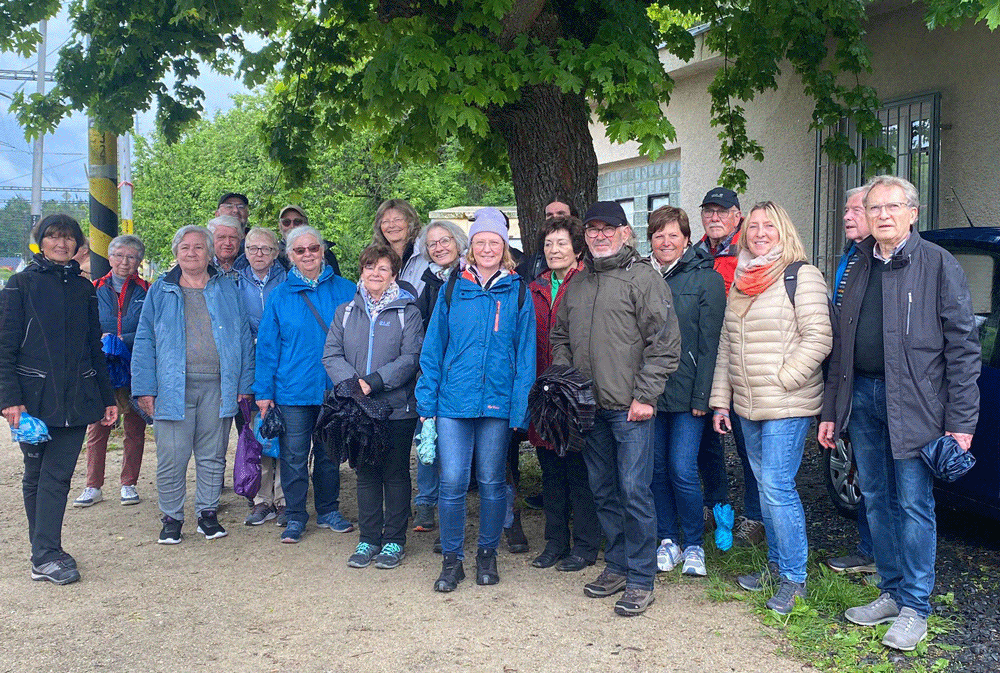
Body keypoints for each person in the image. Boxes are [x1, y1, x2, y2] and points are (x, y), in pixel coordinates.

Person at [818, 175, 980, 651]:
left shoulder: (938, 264)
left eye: (892, 207)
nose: (882, 215)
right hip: (862, 398)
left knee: (913, 504)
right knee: (876, 497)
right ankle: (890, 592)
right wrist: (833, 410)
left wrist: (962, 422)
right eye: (874, 208)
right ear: (865, 216)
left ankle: (915, 607)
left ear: (913, 212)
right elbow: (841, 346)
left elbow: (964, 349)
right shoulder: (857, 265)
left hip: (917, 405)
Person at [550, 201, 680, 617]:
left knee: (634, 492)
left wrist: (645, 396)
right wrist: (568, 382)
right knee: (603, 491)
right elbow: (560, 336)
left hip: (630, 409)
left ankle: (642, 579)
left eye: (609, 229)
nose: (599, 235)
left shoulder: (643, 279)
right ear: (583, 235)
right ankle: (618, 565)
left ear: (625, 233)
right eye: (592, 229)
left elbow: (664, 344)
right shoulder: (579, 283)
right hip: (589, 408)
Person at [709, 201, 832, 615]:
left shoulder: (803, 275)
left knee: (778, 488)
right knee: (766, 489)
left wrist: (784, 380)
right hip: (746, 406)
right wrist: (720, 401)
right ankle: (777, 568)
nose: (760, 233)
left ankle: (795, 579)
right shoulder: (743, 279)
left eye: (769, 226)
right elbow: (727, 345)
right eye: (754, 227)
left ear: (784, 230)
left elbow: (819, 337)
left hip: (786, 402)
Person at [416, 207, 535, 592]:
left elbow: (525, 354)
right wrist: (427, 404)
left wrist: (520, 407)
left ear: (504, 248)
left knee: (491, 481)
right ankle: (452, 560)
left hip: (497, 405)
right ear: (472, 247)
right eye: (480, 242)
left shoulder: (516, 292)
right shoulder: (454, 287)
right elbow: (433, 349)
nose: (487, 248)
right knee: (451, 482)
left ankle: (487, 554)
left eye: (494, 243)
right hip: (452, 402)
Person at [0, 214, 117, 585]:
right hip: (33, 400)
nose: (61, 244)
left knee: (54, 475)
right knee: (37, 474)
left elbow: (93, 347)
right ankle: (46, 554)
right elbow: (3, 348)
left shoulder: (84, 289)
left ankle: (44, 551)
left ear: (78, 246)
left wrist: (106, 396)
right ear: (40, 241)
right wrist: (9, 401)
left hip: (78, 398)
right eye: (53, 237)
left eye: (68, 238)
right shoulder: (19, 285)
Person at [132, 225, 255, 544]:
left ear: (210, 253)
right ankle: (172, 518)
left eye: (199, 247)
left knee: (213, 454)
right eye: (184, 247)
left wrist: (245, 381)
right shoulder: (160, 290)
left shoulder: (227, 287)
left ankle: (207, 515)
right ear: (176, 253)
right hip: (172, 387)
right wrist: (144, 386)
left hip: (218, 385)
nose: (191, 252)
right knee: (172, 455)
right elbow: (144, 338)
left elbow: (243, 336)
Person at [323, 244, 423, 569]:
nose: (375, 274)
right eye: (369, 267)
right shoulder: (346, 311)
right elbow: (331, 355)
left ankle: (394, 540)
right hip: (357, 410)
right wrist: (355, 387)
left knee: (394, 474)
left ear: (393, 273)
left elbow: (411, 359)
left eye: (382, 268)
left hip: (397, 409)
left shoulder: (408, 311)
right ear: (361, 271)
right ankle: (368, 539)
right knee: (366, 474)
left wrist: (373, 382)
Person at [254, 225, 356, 543]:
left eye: (313, 248)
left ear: (323, 251)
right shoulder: (280, 296)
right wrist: (264, 393)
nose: (308, 255)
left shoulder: (347, 289)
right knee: (294, 456)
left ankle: (328, 510)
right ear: (290, 256)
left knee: (328, 455)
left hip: (334, 388)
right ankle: (296, 516)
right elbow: (268, 347)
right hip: (292, 390)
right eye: (300, 250)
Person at [647, 206, 725, 577]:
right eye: (659, 235)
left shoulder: (705, 279)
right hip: (650, 391)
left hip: (689, 394)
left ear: (686, 240)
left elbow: (711, 345)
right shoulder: (643, 277)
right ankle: (667, 539)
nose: (665, 241)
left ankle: (694, 543)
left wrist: (703, 398)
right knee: (656, 469)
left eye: (673, 235)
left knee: (682, 469)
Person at [527, 216, 601, 572]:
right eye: (548, 245)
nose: (554, 250)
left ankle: (586, 545)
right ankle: (555, 542)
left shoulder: (589, 282)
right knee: (550, 471)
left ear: (576, 249)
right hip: (544, 394)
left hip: (577, 393)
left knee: (580, 471)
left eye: (561, 244)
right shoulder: (535, 288)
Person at [693, 187, 764, 547]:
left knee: (748, 443)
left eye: (722, 212)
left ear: (738, 216)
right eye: (708, 212)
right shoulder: (696, 254)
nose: (714, 218)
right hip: (703, 361)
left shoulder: (750, 253)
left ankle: (755, 516)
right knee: (706, 440)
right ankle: (715, 505)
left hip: (740, 361)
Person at [74, 234, 150, 509]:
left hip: (135, 366)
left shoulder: (148, 290)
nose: (124, 262)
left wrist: (126, 340)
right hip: (103, 367)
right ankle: (93, 485)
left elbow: (151, 329)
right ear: (109, 258)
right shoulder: (93, 288)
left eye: (131, 256)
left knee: (135, 426)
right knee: (98, 426)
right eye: (119, 255)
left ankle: (128, 483)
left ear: (139, 261)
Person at [823, 187, 876, 574]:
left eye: (856, 209)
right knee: (864, 468)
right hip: (848, 375)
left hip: (879, 382)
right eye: (845, 209)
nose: (847, 215)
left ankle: (882, 557)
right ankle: (869, 550)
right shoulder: (850, 256)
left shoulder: (878, 260)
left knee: (885, 478)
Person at [411, 220, 468, 535]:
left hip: (463, 372)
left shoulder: (470, 276)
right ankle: (426, 504)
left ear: (458, 242)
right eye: (432, 244)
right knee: (428, 439)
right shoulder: (429, 282)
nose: (439, 247)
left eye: (445, 240)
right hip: (433, 371)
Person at [237, 227, 288, 525]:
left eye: (265, 249)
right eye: (253, 248)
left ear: (276, 252)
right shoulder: (234, 282)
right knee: (258, 432)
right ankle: (260, 498)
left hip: (282, 365)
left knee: (282, 430)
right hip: (251, 365)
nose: (259, 254)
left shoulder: (287, 280)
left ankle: (282, 498)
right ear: (245, 251)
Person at [373, 199, 429, 295]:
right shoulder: (375, 256)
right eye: (385, 221)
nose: (391, 225)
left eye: (397, 220)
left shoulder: (426, 252)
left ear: (410, 222)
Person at [273, 205, 341, 277]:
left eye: (297, 222)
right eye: (286, 222)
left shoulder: (326, 253)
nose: (292, 226)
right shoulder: (272, 255)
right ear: (280, 226)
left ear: (305, 224)